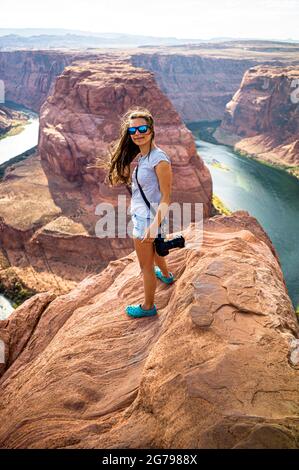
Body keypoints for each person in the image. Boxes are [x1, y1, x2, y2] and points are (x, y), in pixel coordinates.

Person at [99, 107, 175, 318]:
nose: (137, 133)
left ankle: (148, 306)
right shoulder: (144, 157)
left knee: (146, 267)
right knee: (157, 252)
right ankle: (167, 276)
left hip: (148, 220)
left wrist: (151, 227)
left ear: (151, 129)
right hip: (149, 218)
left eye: (142, 128)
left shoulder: (159, 160)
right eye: (133, 131)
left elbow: (166, 199)